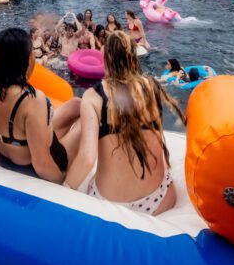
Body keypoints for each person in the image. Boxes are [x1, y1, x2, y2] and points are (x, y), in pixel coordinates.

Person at [65, 31, 185, 215]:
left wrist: (63, 190)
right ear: (133, 58)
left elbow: (87, 158)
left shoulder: (94, 96)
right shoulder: (151, 86)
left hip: (112, 201)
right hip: (159, 198)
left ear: (106, 60)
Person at [0, 29, 82, 183]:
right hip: (34, 167)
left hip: (7, 158)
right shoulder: (32, 99)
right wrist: (62, 183)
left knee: (76, 104)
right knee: (87, 116)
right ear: (24, 60)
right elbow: (42, 164)